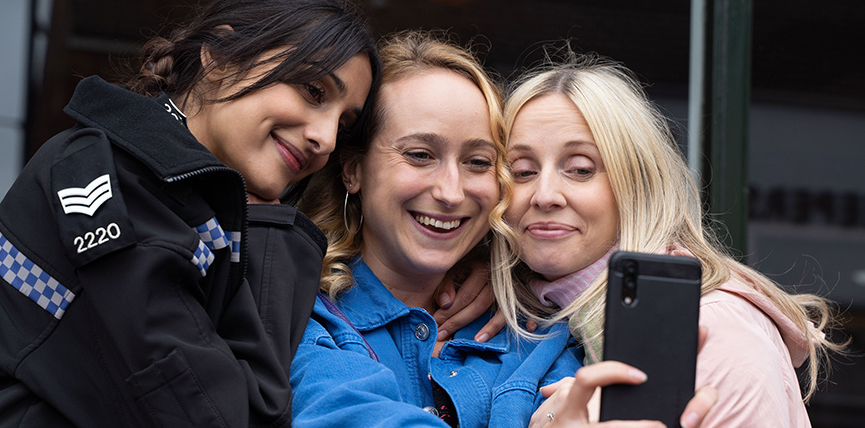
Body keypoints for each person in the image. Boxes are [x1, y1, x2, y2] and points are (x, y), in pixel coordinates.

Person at [0, 0, 379, 426]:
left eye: (344, 124)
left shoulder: (188, 200)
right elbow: (236, 416)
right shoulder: (106, 176)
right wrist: (271, 226)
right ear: (219, 57)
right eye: (313, 91)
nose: (326, 139)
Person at [494, 52, 845, 427]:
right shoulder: (527, 313)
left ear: (638, 184)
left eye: (581, 169)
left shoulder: (711, 325)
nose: (545, 194)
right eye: (523, 171)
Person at [290, 30, 589, 427]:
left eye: (479, 162)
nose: (451, 191)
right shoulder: (300, 315)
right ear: (353, 170)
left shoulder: (535, 329)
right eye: (419, 155)